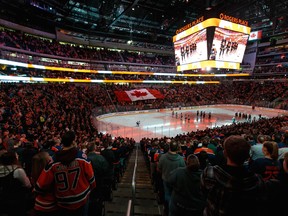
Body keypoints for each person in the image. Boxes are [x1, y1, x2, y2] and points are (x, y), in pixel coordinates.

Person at [201, 135, 267, 216]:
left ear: (225, 153)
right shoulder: (258, 181)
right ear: (247, 156)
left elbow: (203, 192)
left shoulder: (210, 172)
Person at [35, 131, 96, 216]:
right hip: (81, 198)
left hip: (62, 201)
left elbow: (40, 185)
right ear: (73, 141)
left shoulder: (53, 161)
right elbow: (91, 178)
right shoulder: (82, 157)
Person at [0, 151, 33, 216]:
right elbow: (27, 185)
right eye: (16, 156)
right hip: (16, 198)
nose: (18, 156)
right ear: (14, 159)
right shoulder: (18, 171)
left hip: (3, 197)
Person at [158, 140, 186, 216]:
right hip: (176, 182)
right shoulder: (181, 159)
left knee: (167, 195)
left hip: (166, 179)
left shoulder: (163, 157)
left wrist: (163, 173)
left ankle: (167, 209)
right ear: (177, 148)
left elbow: (159, 169)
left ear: (169, 147)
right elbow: (184, 171)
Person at [31, 151, 59, 216]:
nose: (50, 157)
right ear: (46, 162)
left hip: (38, 204)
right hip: (51, 206)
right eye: (49, 156)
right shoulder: (50, 175)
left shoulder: (33, 174)